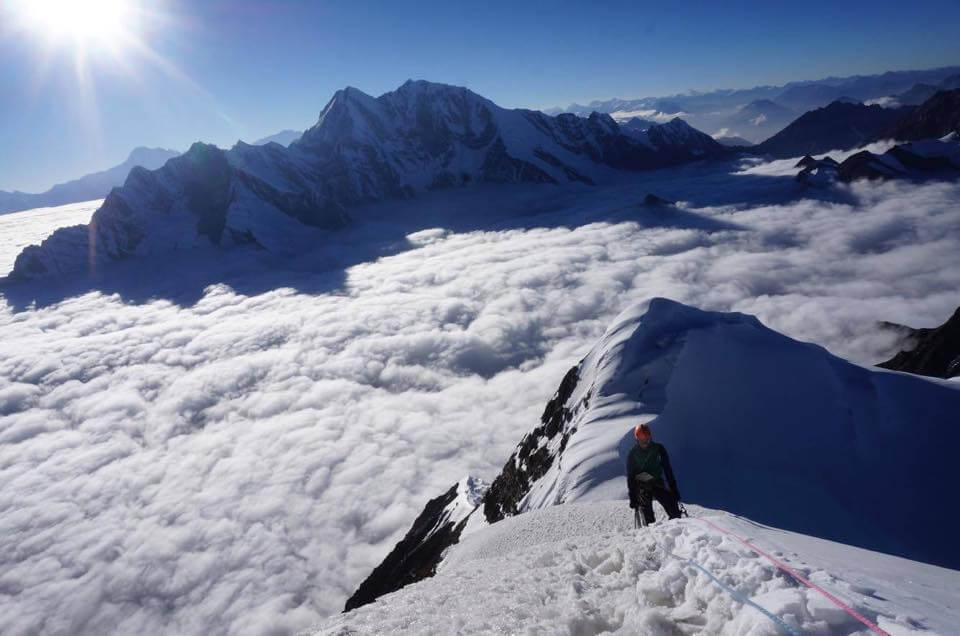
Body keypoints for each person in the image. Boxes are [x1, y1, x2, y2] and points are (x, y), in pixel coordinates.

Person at [626, 422, 682, 524]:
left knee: (674, 512)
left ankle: (673, 529)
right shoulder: (633, 453)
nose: (645, 441)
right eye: (642, 439)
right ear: (637, 439)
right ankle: (652, 533)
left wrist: (673, 488)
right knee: (649, 519)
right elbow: (631, 476)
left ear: (650, 437)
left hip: (656, 482)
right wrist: (632, 496)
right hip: (641, 485)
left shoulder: (659, 449)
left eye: (646, 438)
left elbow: (667, 469)